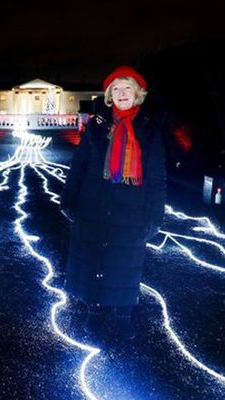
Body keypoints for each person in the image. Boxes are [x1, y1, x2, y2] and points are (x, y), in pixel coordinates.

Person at [60, 66, 167, 341]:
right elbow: (80, 164)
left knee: (126, 260)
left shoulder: (149, 129)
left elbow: (157, 176)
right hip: (94, 201)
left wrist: (155, 215)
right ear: (109, 95)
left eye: (127, 88)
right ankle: (94, 310)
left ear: (138, 94)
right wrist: (69, 198)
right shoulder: (97, 126)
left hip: (132, 205)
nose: (121, 94)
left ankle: (122, 316)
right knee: (95, 256)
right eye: (116, 89)